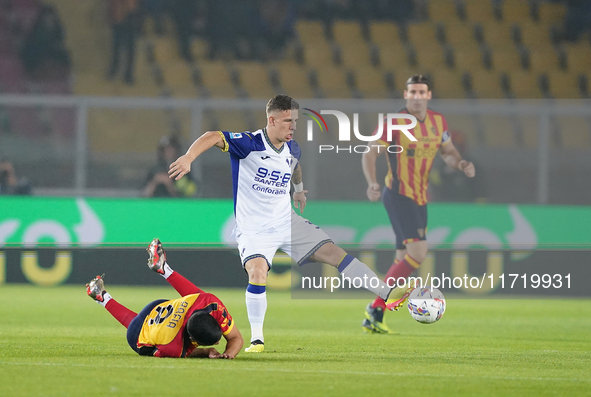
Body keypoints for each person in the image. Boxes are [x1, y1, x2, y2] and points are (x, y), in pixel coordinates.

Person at [168, 94, 395, 353]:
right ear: (272, 119)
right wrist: (188, 158)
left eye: (295, 120)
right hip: (254, 228)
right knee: (257, 272)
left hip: (286, 221)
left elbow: (294, 165)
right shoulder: (249, 143)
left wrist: (298, 189)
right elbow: (212, 135)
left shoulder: (292, 147)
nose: (293, 126)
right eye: (288, 121)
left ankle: (386, 293)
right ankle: (257, 339)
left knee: (335, 253)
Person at [360, 75, 475, 334]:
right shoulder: (393, 122)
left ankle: (375, 311)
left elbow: (448, 152)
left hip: (421, 198)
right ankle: (375, 305)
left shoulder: (438, 121)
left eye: (421, 92)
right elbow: (370, 153)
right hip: (399, 193)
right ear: (406, 95)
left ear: (428, 95)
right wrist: (371, 182)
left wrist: (461, 164)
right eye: (412, 92)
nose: (416, 96)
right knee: (419, 253)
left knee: (403, 257)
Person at [86, 238, 243, 358]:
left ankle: (163, 269)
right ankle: (103, 298)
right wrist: (206, 351)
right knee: (139, 329)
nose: (218, 341)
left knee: (201, 297)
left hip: (158, 306)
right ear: (192, 340)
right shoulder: (173, 347)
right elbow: (147, 349)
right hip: (139, 333)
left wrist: (228, 353)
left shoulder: (212, 304)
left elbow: (235, 339)